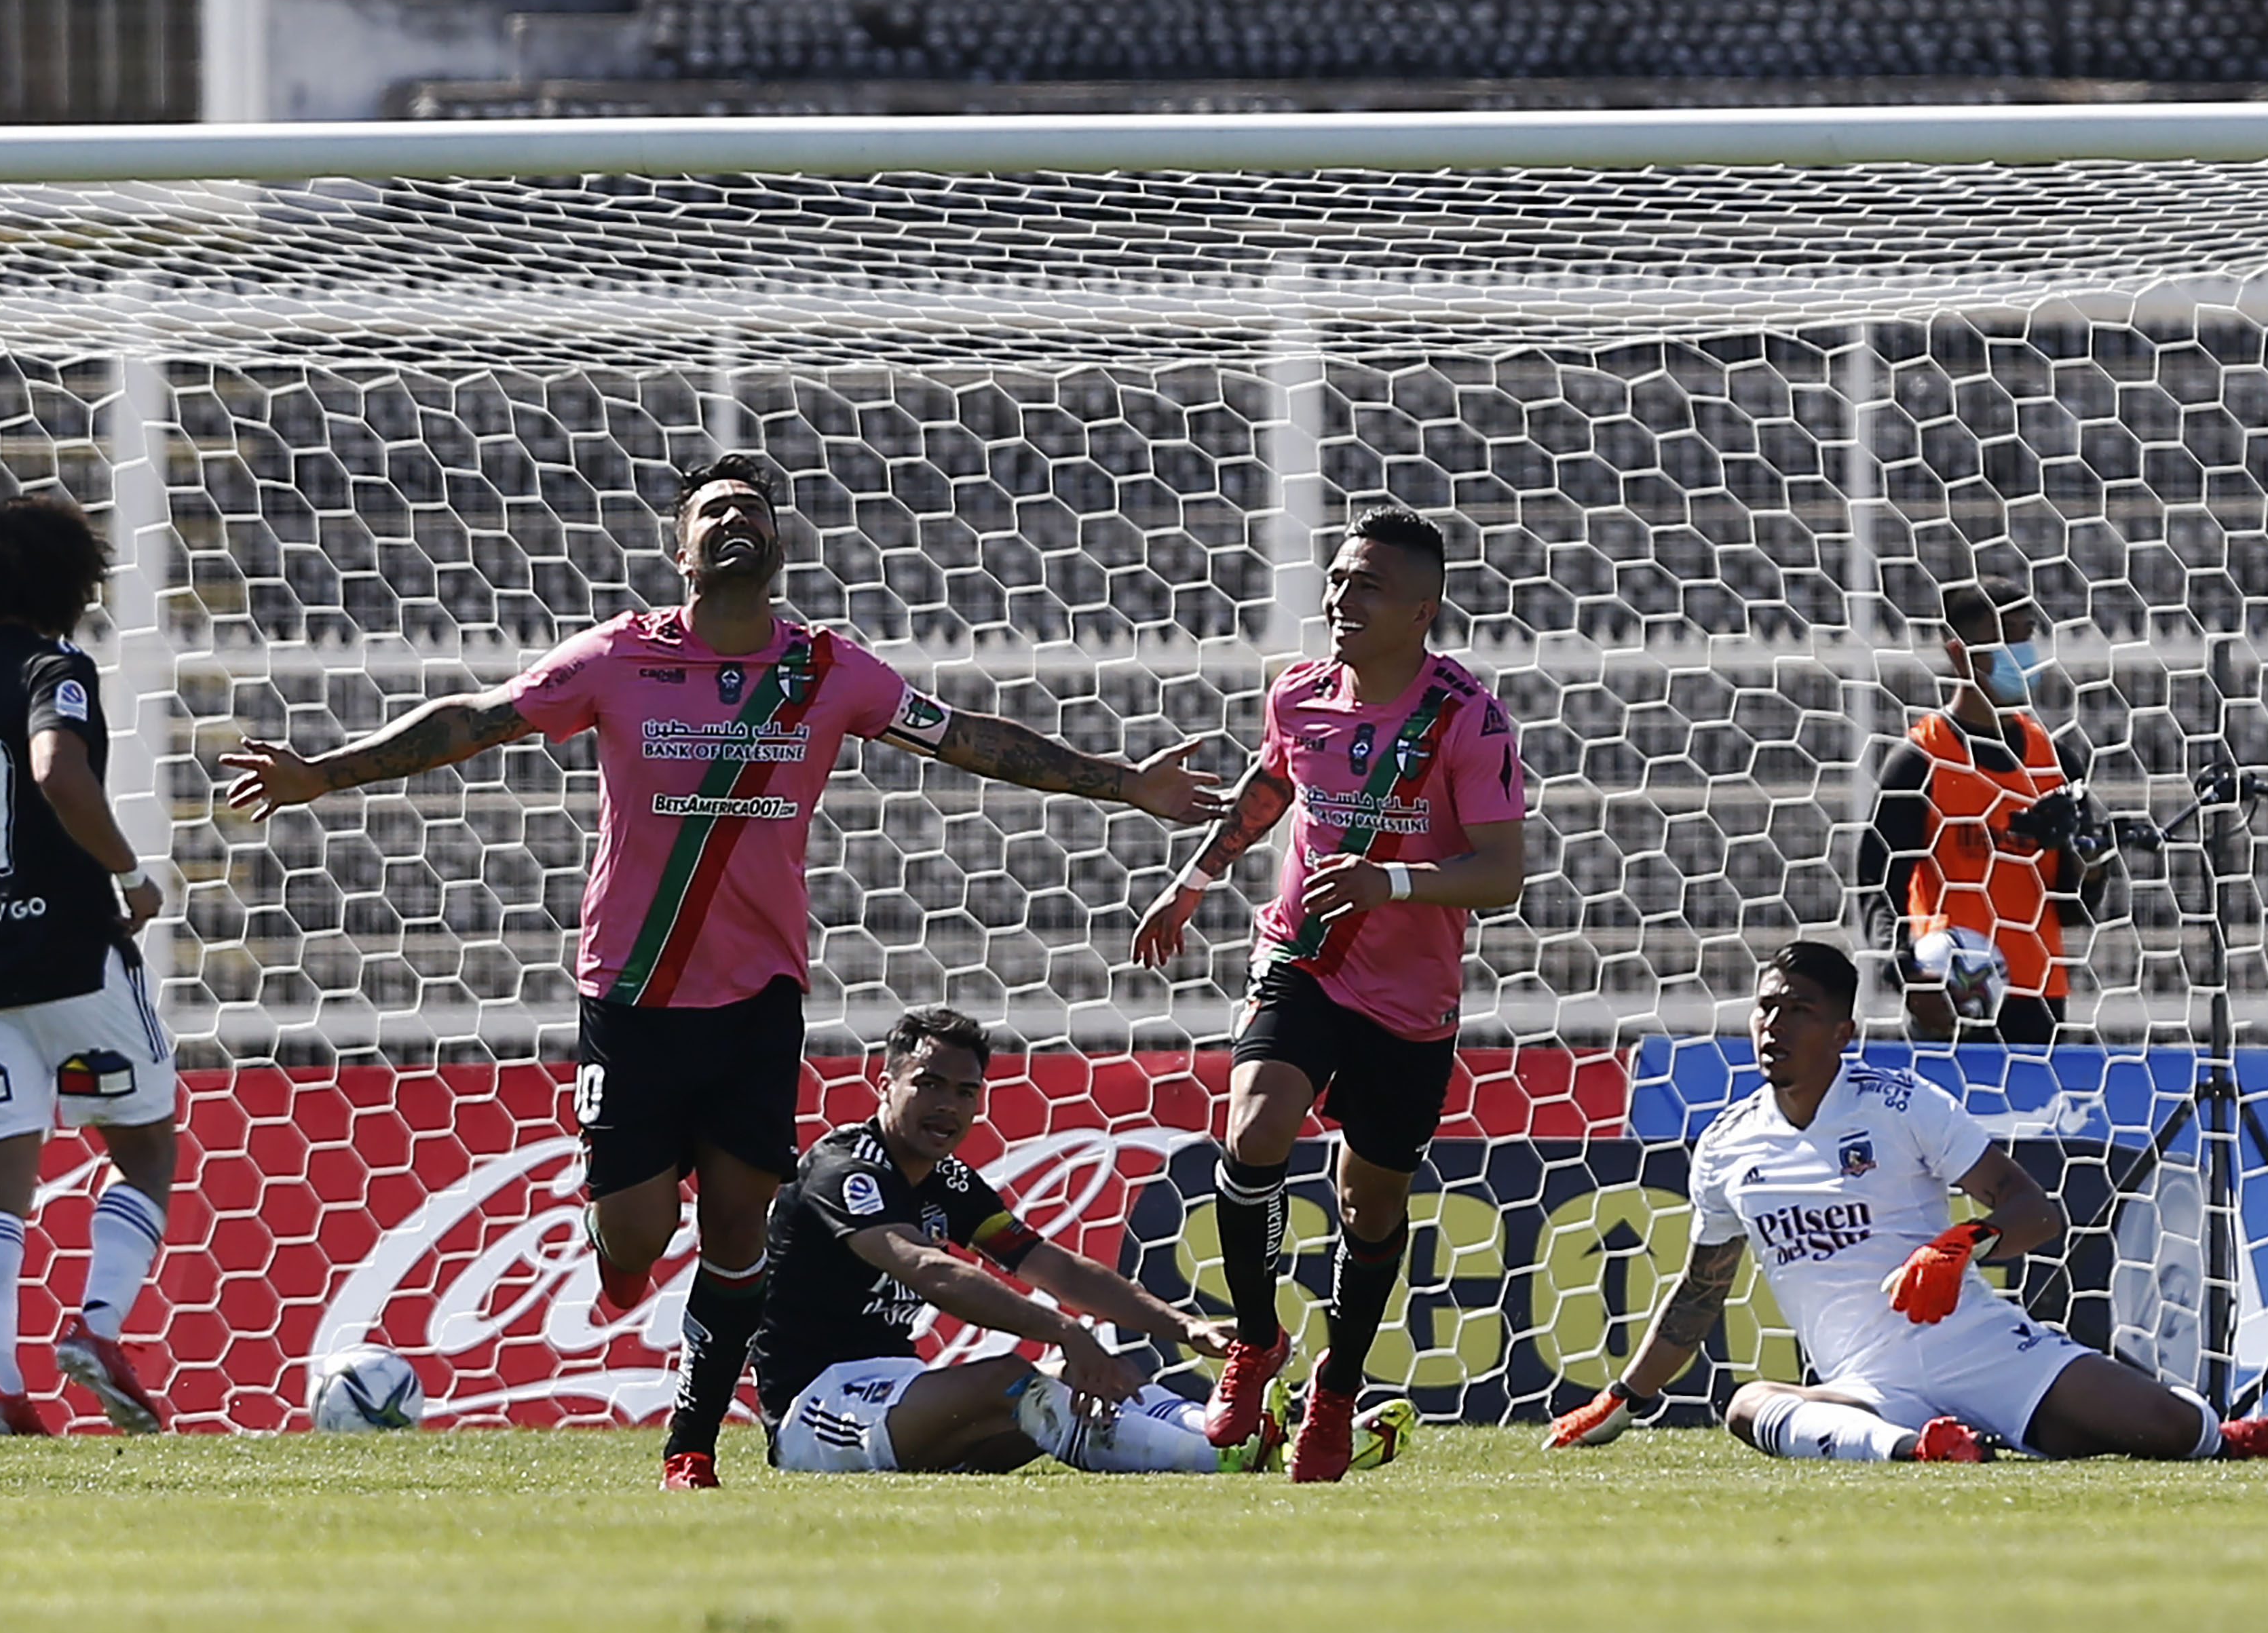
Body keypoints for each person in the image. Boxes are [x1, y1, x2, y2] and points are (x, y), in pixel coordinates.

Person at [221, 454, 1221, 1489]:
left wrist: (1123, 783)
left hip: (758, 995)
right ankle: (615, 1225)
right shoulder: (618, 657)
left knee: (740, 1222)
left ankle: (690, 1446)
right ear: (680, 550)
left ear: (780, 549)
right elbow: (478, 719)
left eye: (754, 509)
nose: (736, 519)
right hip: (633, 992)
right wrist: (321, 774)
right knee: (635, 1241)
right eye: (713, 510)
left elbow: (965, 737)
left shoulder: (831, 670)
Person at [1545, 940, 2268, 1463]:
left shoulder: (1901, 1102)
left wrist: (1960, 1244)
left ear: (1842, 1031)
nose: (1772, 1025)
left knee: (2171, 1431)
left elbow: (2032, 1208)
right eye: (1765, 1007)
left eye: (1797, 1010)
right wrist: (1623, 1396)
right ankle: (1917, 1449)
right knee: (1748, 1404)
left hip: (1982, 1346)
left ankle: (2225, 1436)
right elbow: (1700, 1289)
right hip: (1866, 1383)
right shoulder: (1725, 1144)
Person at [1131, 505, 1526, 1481]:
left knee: (1371, 1200)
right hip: (1303, 958)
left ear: (1423, 610)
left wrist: (1393, 880)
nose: (1343, 598)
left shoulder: (1466, 718)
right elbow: (1274, 788)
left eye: (1369, 586)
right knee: (1254, 1128)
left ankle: (1338, 1388)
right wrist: (1193, 880)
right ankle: (1256, 1340)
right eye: (1341, 579)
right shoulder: (1299, 694)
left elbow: (1503, 873)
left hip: (1411, 997)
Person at [753, 1005, 1416, 1477]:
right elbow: (928, 1269)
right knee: (1020, 1379)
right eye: (926, 1084)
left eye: (964, 1090)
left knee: (1069, 1385)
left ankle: (1237, 1433)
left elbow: (1051, 1265)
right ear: (885, 1084)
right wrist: (1065, 1331)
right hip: (818, 1409)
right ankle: (1228, 1457)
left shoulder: (949, 1179)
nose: (946, 1105)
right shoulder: (845, 1167)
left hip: (901, 1390)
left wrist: (1187, 1328)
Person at [0, 494, 177, 1438]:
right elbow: (57, 772)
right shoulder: (54, 667)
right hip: (69, 955)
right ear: (61, 584)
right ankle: (96, 1330)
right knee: (141, 1147)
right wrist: (129, 873)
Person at [1859, 576, 2115, 1045]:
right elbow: (1876, 886)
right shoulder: (1920, 761)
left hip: (2037, 998)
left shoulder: (2057, 763)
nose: (2023, 653)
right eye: (2007, 638)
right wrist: (1907, 975)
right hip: (1949, 997)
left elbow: (2075, 910)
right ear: (1960, 654)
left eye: (2028, 636)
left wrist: (2089, 861)